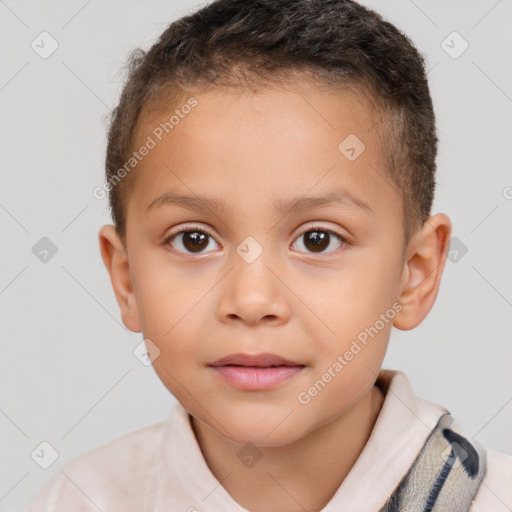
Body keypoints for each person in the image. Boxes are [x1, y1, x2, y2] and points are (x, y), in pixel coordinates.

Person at [28, 0, 512, 510]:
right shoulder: (80, 499)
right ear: (126, 279)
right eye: (194, 240)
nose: (252, 300)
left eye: (318, 239)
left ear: (414, 274)